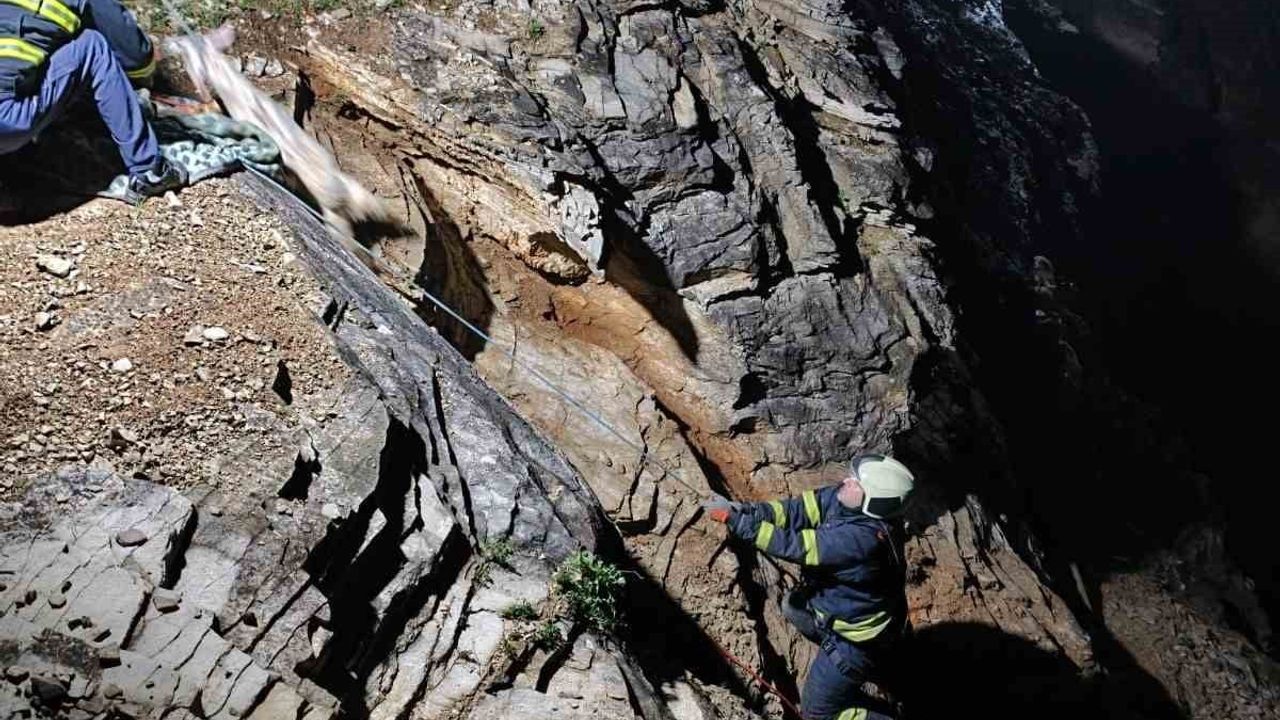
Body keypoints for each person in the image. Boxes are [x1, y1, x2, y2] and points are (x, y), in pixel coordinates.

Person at [704, 454, 915, 720]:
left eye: (857, 484)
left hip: (856, 643)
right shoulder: (846, 500)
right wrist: (750, 511)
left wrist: (736, 521)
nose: (847, 481)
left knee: (817, 714)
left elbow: (796, 546)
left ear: (872, 503)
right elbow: (797, 511)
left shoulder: (860, 540)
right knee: (793, 607)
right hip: (854, 617)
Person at [1, 0, 184, 197]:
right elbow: (135, 57)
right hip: (8, 122)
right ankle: (149, 170)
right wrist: (146, 77)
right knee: (92, 45)